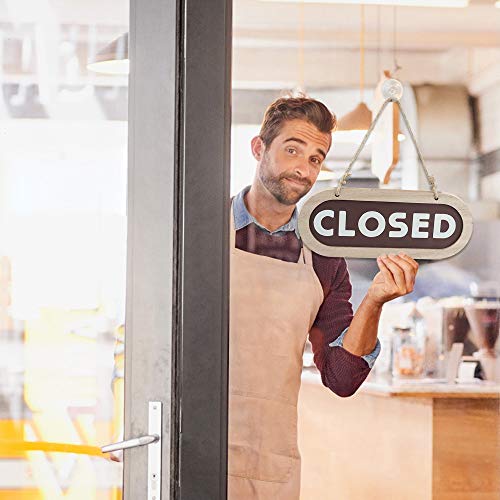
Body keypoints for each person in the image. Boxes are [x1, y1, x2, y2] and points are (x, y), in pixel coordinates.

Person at [228, 95, 419, 499]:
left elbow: (341, 376)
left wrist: (374, 301)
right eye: (292, 150)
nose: (303, 169)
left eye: (316, 158)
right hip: (194, 439)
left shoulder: (325, 257)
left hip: (268, 454)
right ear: (259, 148)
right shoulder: (202, 228)